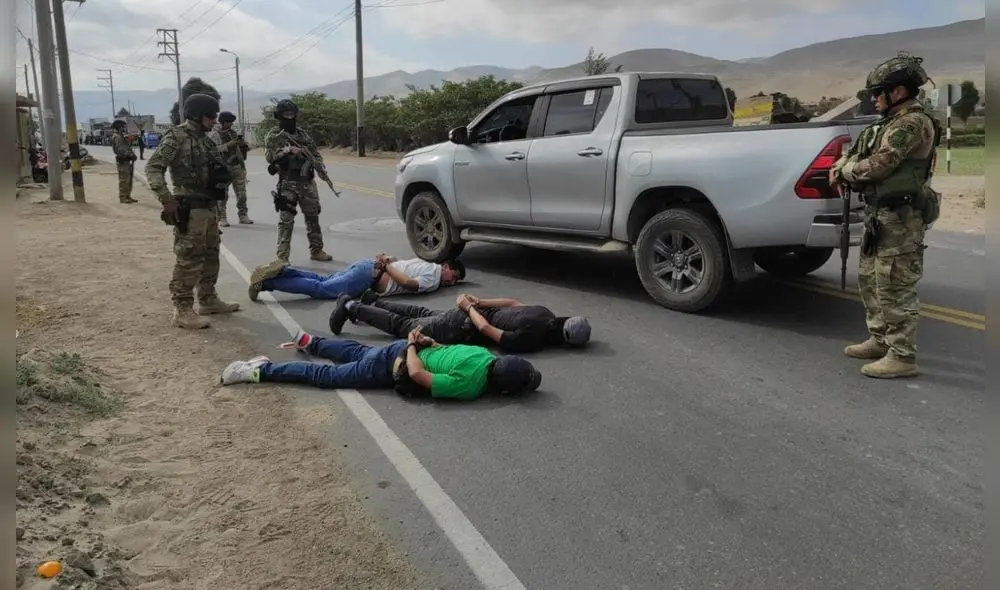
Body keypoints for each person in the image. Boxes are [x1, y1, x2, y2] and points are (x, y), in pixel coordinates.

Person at [829, 52, 941, 379]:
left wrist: (845, 172)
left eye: (880, 92)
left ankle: (902, 355)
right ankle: (880, 339)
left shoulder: (911, 123)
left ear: (899, 92)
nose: (875, 99)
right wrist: (842, 167)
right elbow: (854, 153)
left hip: (902, 216)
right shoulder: (885, 123)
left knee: (895, 284)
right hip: (879, 215)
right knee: (871, 279)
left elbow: (881, 164)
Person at [220, 327, 542, 400]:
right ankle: (260, 370)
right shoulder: (471, 386)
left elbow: (445, 348)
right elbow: (416, 374)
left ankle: (311, 342)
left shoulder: (484, 355)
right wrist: (414, 348)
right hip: (399, 363)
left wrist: (418, 343)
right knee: (327, 376)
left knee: (358, 351)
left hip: (401, 349)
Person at [145, 93, 241, 329]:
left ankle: (208, 299)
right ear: (196, 115)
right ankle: (183, 309)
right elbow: (153, 167)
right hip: (190, 207)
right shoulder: (176, 137)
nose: (214, 121)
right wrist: (167, 200)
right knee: (189, 258)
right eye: (210, 116)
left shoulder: (206, 141)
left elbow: (219, 166)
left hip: (209, 208)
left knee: (210, 256)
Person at [329, 292, 592, 353]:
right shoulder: (534, 339)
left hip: (466, 316)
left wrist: (478, 303)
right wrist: (470, 307)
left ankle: (372, 301)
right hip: (463, 326)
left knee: (420, 313)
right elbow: (488, 331)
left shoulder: (545, 312)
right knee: (405, 327)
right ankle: (352, 306)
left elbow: (512, 303)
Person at [264, 98, 333, 263]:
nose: (289, 117)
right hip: (288, 183)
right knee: (286, 220)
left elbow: (315, 153)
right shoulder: (274, 135)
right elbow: (269, 157)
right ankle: (282, 257)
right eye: (285, 114)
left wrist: (319, 166)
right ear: (279, 116)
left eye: (292, 114)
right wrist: (286, 152)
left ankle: (317, 250)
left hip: (307, 182)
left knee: (313, 217)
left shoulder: (303, 134)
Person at [247, 254, 465, 302]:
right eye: (452, 276)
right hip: (369, 276)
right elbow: (409, 283)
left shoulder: (426, 262)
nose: (450, 282)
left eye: (454, 282)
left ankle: (283, 271)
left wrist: (386, 261)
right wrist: (387, 266)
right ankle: (266, 282)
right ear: (446, 266)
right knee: (319, 289)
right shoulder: (434, 277)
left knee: (321, 280)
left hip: (366, 267)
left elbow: (401, 264)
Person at [211, 111, 253, 227]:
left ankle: (243, 215)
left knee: (242, 194)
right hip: (223, 168)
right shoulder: (215, 135)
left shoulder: (233, 133)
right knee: (222, 196)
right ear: (223, 122)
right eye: (229, 122)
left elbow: (248, 148)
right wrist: (228, 145)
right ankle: (222, 218)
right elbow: (213, 150)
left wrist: (243, 144)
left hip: (237, 167)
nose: (230, 125)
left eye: (231, 123)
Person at [110, 120, 137, 204]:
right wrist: (129, 155)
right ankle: (123, 197)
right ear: (119, 127)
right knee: (123, 180)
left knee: (128, 179)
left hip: (127, 161)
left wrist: (132, 154)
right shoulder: (117, 137)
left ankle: (127, 195)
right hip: (122, 161)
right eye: (123, 127)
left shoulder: (121, 136)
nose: (124, 128)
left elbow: (127, 147)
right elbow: (121, 149)